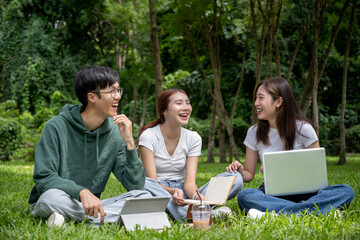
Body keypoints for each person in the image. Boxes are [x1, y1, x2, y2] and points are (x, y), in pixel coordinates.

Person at [28, 65, 150, 227]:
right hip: (61, 198)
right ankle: (103, 218)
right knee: (50, 198)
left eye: (118, 90)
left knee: (143, 196)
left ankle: (68, 218)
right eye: (111, 91)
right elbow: (44, 177)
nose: (118, 97)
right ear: (92, 97)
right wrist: (82, 192)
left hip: (94, 205)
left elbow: (135, 186)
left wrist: (129, 142)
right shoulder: (55, 127)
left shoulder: (116, 132)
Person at [226, 76, 355, 219]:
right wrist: (240, 171)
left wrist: (281, 167)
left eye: (261, 98)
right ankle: (313, 212)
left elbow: (316, 170)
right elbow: (249, 174)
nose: (256, 103)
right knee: (245, 196)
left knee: (346, 191)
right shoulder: (253, 133)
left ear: (279, 101)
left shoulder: (304, 129)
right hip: (272, 194)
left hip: (308, 192)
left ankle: (275, 214)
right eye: (256, 98)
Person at [138, 88, 243, 222]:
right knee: (143, 183)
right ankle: (201, 214)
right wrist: (173, 192)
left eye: (187, 103)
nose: (186, 108)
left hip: (184, 192)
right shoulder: (149, 136)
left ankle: (187, 211)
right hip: (159, 191)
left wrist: (196, 197)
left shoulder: (193, 138)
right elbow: (152, 182)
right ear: (164, 110)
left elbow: (189, 184)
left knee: (236, 178)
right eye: (179, 103)